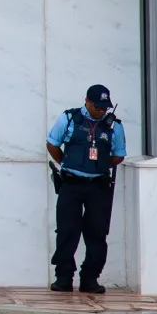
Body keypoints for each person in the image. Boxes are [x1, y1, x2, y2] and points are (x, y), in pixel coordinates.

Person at [46, 83, 125, 293]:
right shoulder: (70, 118)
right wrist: (67, 163)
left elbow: (118, 155)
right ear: (87, 102)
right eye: (97, 106)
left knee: (97, 233)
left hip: (98, 186)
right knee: (66, 231)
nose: (101, 110)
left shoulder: (114, 126)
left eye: (105, 107)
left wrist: (98, 165)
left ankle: (90, 278)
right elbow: (52, 143)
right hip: (71, 184)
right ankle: (63, 277)